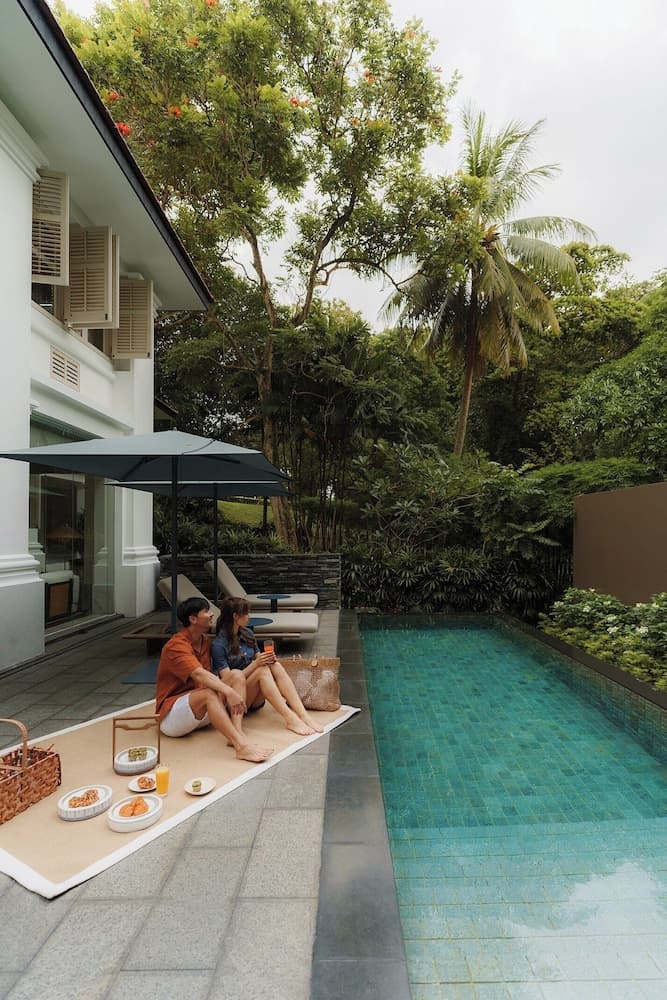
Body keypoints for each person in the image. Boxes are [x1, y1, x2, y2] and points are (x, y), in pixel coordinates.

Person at [155, 596, 273, 763]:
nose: (211, 614)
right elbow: (199, 674)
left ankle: (237, 732)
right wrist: (229, 691)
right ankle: (241, 747)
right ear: (193, 619)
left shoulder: (205, 641)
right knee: (209, 694)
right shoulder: (175, 646)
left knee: (236, 674)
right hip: (173, 716)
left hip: (201, 708)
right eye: (206, 611)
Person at [211, 596, 324, 736]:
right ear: (235, 616)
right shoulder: (219, 644)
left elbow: (259, 658)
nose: (249, 616)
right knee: (261, 671)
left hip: (254, 697)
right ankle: (290, 719)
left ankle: (303, 715)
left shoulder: (247, 634)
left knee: (274, 665)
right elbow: (229, 681)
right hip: (235, 699)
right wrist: (256, 664)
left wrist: (268, 659)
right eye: (246, 613)